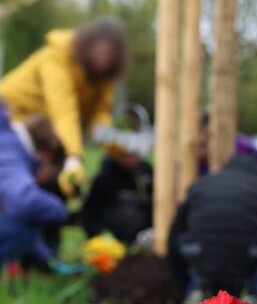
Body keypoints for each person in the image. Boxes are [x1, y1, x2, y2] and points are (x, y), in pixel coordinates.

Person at [0, 17, 128, 198]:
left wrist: (118, 146)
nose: (104, 59)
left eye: (110, 54)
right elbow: (64, 110)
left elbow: (99, 117)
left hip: (46, 136)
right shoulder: (56, 57)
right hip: (12, 122)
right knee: (17, 189)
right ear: (88, 44)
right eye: (101, 51)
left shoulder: (100, 79)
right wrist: (74, 157)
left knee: (49, 189)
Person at [167, 155, 257, 304]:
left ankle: (196, 293)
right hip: (248, 256)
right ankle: (254, 298)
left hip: (199, 252)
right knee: (256, 275)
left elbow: (175, 233)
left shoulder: (200, 185)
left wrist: (182, 284)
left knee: (199, 276)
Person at [0, 111, 66, 265]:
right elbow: (25, 203)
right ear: (47, 156)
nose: (42, 181)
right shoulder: (11, 152)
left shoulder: (7, 141)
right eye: (50, 174)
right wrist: (60, 210)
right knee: (25, 230)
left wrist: (46, 258)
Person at [81, 145, 153, 244]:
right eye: (127, 155)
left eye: (136, 154)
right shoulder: (106, 176)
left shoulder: (145, 170)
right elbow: (91, 212)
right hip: (115, 236)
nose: (133, 159)